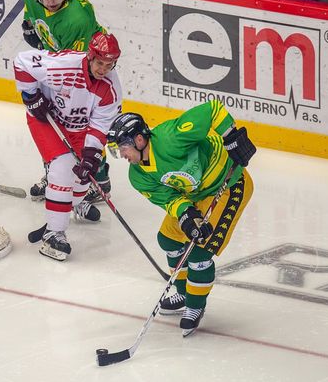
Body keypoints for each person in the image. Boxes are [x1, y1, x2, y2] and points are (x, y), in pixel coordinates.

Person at [106, 101, 256, 336]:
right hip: (196, 195)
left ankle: (195, 306)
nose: (121, 155)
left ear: (138, 139)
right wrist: (186, 214)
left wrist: (231, 136)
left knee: (199, 252)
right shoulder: (138, 176)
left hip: (229, 185)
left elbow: (212, 109)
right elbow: (169, 198)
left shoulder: (171, 138)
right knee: (168, 239)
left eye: (122, 148)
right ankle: (184, 291)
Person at [14, 32, 123, 261]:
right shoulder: (63, 66)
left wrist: (92, 155)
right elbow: (21, 61)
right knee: (63, 168)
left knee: (84, 173)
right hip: (47, 120)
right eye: (100, 63)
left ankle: (74, 203)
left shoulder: (111, 87)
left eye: (109, 64)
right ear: (91, 56)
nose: (104, 69)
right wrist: (31, 96)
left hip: (78, 129)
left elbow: (100, 124)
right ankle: (54, 233)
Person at [21, 0, 112, 205]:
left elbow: (80, 63)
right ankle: (55, 172)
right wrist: (28, 26)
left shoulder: (78, 18)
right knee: (47, 120)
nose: (51, 2)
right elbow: (30, 13)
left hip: (88, 67)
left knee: (79, 122)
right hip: (54, 60)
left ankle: (98, 180)